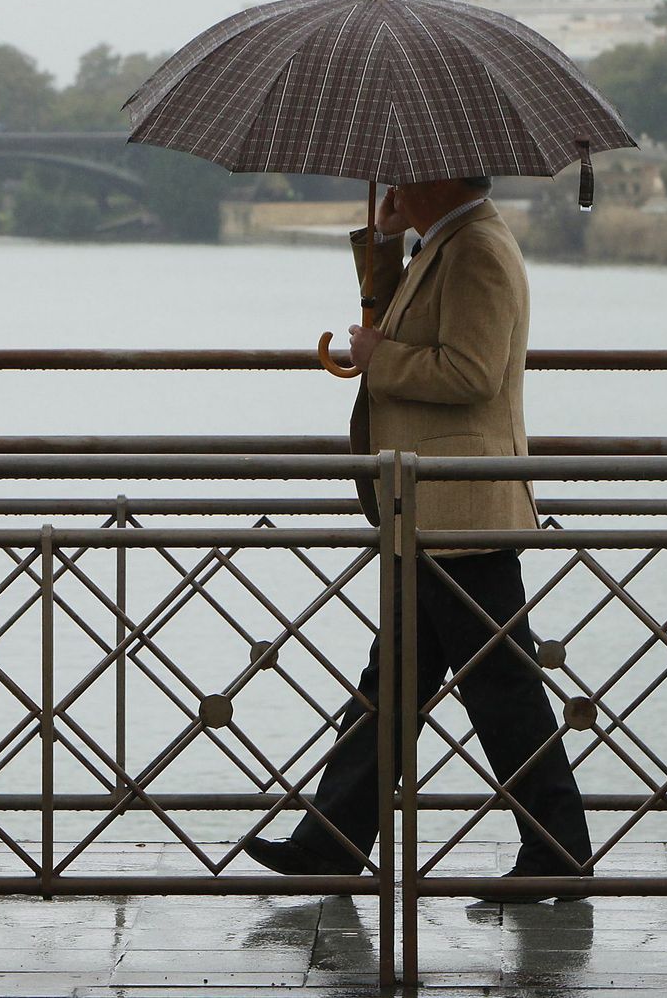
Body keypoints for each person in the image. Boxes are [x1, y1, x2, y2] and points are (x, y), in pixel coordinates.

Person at [244, 175, 592, 902]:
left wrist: (380, 359)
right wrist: (382, 243)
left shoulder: (479, 253)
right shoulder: (446, 245)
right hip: (426, 509)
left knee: (501, 687)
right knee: (393, 686)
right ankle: (329, 844)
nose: (395, 174)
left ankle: (557, 850)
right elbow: (397, 320)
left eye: (408, 166)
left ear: (443, 173)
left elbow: (470, 372)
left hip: (460, 511)